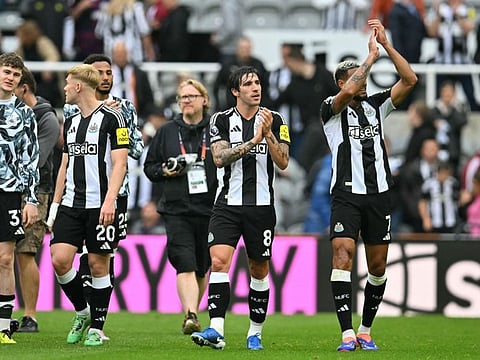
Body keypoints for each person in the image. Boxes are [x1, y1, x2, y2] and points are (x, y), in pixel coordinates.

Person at [320, 19, 417, 351]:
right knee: (342, 254)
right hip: (346, 195)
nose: (362, 81)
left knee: (377, 266)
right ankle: (346, 333)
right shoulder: (331, 112)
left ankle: (365, 329)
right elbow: (348, 92)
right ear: (341, 82)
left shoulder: (377, 106)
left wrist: (387, 47)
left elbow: (410, 79)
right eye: (354, 76)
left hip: (379, 195)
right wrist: (370, 58)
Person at [191, 66, 290, 350]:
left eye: (257, 82)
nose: (255, 88)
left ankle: (254, 332)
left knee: (259, 269)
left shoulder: (276, 119)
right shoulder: (221, 120)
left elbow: (283, 162)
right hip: (227, 205)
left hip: (261, 207)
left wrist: (268, 135)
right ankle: (216, 329)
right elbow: (220, 158)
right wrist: (252, 142)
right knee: (219, 262)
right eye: (248, 84)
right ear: (235, 91)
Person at [63, 53, 144, 340]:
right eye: (99, 72)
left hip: (113, 194)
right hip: (76, 196)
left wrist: (116, 125)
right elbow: (66, 158)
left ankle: (98, 326)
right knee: (70, 257)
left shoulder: (123, 109)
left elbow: (135, 151)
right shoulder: (71, 112)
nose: (105, 77)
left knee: (100, 258)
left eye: (109, 72)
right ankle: (84, 311)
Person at [47, 64, 129, 346]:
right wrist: (55, 205)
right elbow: (65, 165)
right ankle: (82, 311)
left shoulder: (114, 118)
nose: (65, 88)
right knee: (59, 259)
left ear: (79, 86)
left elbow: (120, 163)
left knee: (97, 264)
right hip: (71, 203)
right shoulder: (69, 121)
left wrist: (110, 200)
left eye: (68, 83)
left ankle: (96, 327)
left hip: (100, 204)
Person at [144, 79, 217, 334]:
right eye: (182, 97)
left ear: (204, 100)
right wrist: (166, 169)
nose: (186, 100)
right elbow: (149, 168)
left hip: (209, 207)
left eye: (191, 96)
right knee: (184, 262)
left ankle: (191, 315)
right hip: (177, 208)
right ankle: (191, 312)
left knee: (202, 266)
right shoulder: (166, 131)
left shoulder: (217, 128)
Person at [14, 67, 60, 333]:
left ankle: (30, 315)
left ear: (25, 89)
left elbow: (36, 159)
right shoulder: (8, 112)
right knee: (5, 252)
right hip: (7, 189)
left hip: (37, 191)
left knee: (25, 252)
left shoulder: (46, 117)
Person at [0, 52, 39, 344]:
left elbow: (31, 158)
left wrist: (32, 198)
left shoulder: (25, 113)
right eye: (6, 71)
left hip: (10, 191)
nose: (10, 77)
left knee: (4, 258)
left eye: (15, 74)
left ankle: (2, 327)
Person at [426, 0, 479, 111]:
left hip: (462, 63)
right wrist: (438, 16)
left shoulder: (468, 8)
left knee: (470, 95)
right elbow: (431, 32)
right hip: (442, 63)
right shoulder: (438, 8)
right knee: (437, 96)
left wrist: (458, 16)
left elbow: (470, 28)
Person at [15, 20, 63, 107]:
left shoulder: (42, 42)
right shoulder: (22, 47)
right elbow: (16, 59)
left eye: (20, 34)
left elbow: (53, 56)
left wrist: (47, 68)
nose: (18, 36)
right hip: (32, 79)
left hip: (46, 82)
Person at [110, 41, 155, 122]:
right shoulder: (106, 74)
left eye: (122, 53)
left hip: (136, 117)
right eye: (117, 53)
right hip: (111, 118)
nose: (120, 56)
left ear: (128, 54)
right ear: (113, 55)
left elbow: (149, 99)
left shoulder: (139, 74)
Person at [418, 160, 460, 233]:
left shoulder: (454, 183)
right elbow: (422, 202)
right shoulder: (429, 185)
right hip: (434, 222)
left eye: (447, 174)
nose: (445, 176)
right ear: (438, 172)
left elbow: (459, 199)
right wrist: (425, 218)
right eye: (443, 173)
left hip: (451, 221)